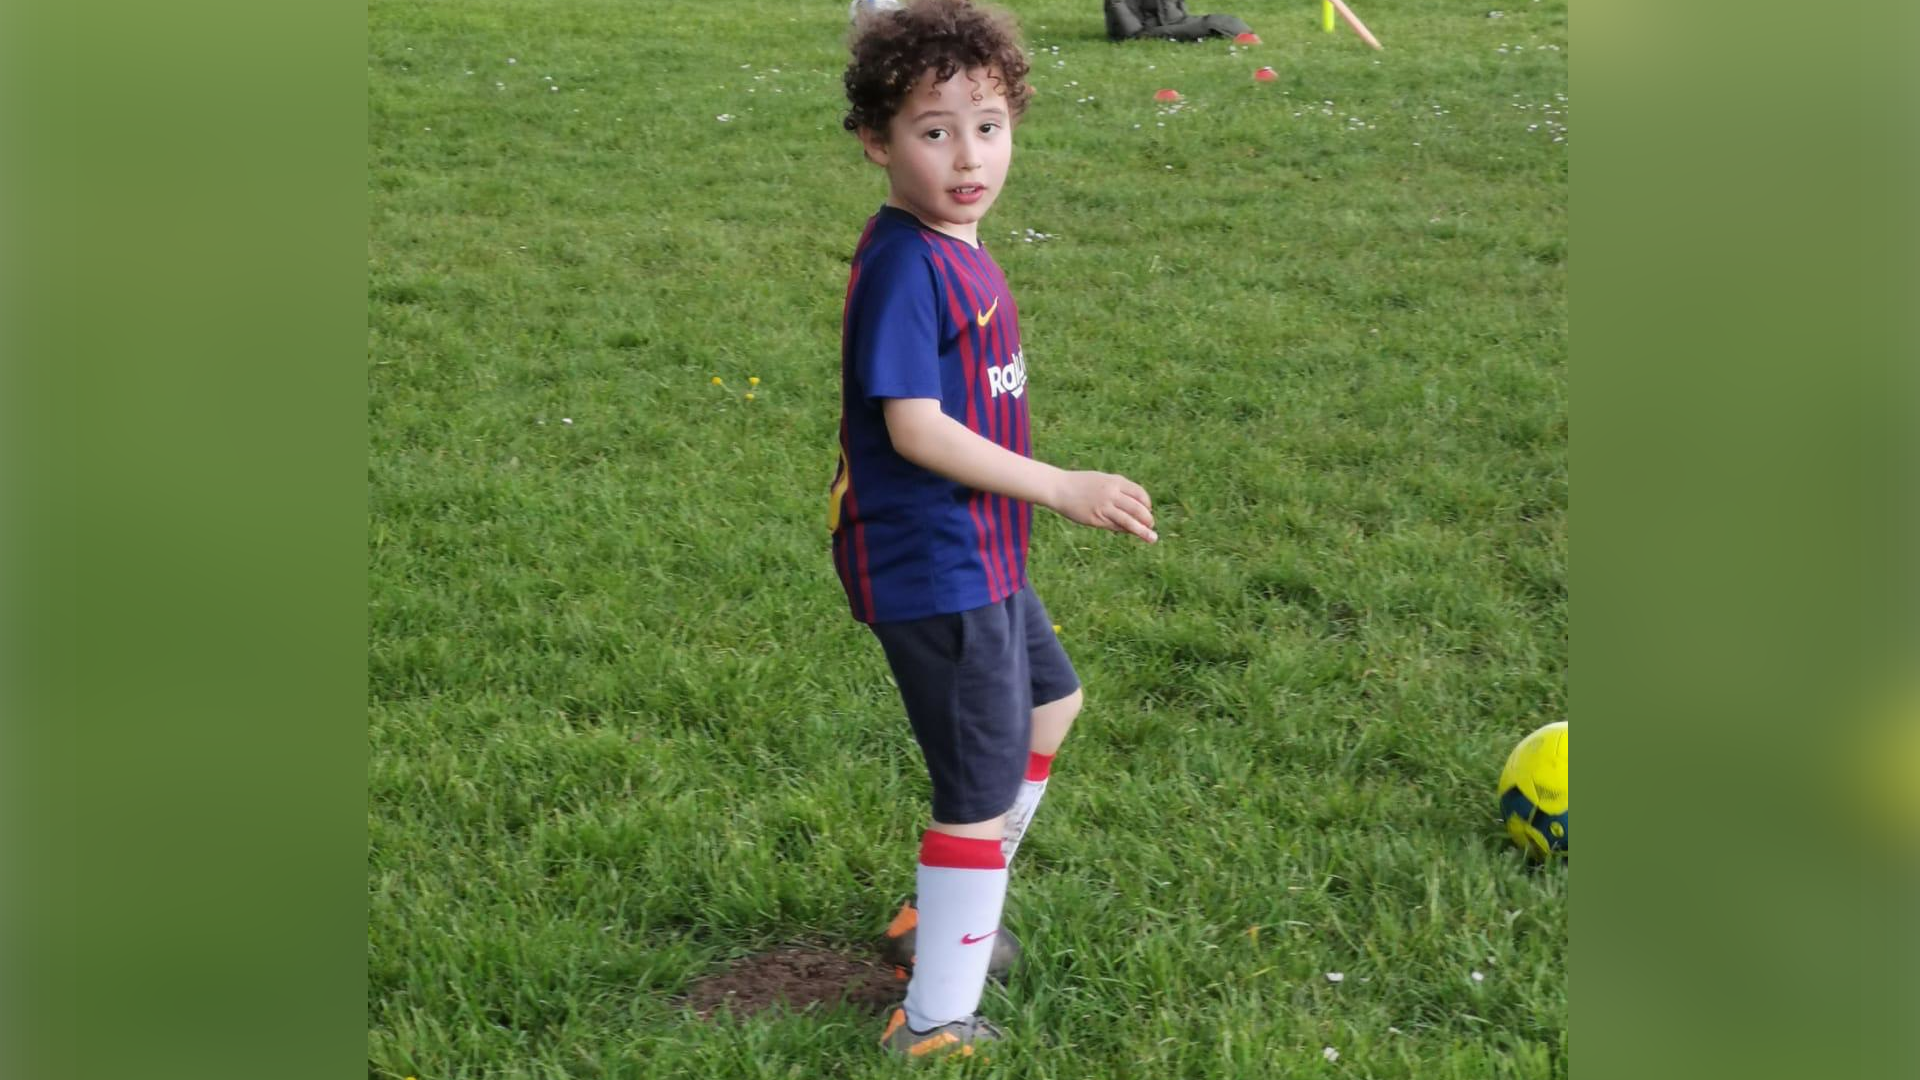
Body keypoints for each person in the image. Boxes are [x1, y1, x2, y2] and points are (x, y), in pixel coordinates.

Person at [830, 0, 1159, 1059]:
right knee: (973, 792)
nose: (968, 156)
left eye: (989, 124)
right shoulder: (904, 266)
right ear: (878, 142)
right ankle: (933, 1022)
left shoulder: (954, 244)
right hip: (935, 564)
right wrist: (1059, 483)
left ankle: (942, 910)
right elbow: (915, 428)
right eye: (933, 131)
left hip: (983, 552)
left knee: (1052, 704)